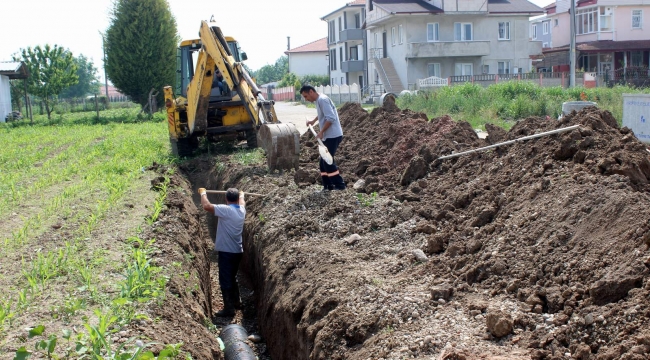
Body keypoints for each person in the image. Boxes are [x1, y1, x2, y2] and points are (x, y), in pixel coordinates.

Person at [198, 187, 245, 317]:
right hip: (237, 251)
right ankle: (237, 302)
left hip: (226, 252)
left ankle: (229, 309)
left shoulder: (226, 210)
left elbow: (206, 206)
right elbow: (242, 202)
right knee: (232, 276)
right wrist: (241, 195)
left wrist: (203, 193)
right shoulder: (241, 210)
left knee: (225, 279)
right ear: (236, 199)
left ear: (226, 199)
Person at [301, 85, 346, 191]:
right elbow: (322, 113)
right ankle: (328, 186)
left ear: (311, 92)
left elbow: (331, 118)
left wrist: (321, 132)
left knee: (328, 161)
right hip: (328, 136)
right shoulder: (318, 100)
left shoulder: (323, 100)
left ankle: (340, 186)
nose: (306, 99)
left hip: (333, 135)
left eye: (306, 96)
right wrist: (313, 121)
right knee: (322, 162)